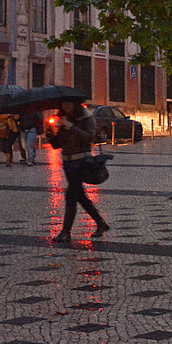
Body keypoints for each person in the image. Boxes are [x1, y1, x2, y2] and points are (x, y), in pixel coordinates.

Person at [45, 100, 110, 243]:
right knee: (80, 196)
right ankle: (101, 223)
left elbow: (89, 138)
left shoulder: (86, 118)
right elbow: (57, 145)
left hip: (81, 161)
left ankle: (65, 232)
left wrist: (71, 126)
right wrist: (50, 134)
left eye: (68, 104)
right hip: (68, 162)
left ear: (76, 104)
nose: (65, 106)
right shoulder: (64, 119)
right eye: (63, 104)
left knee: (71, 195)